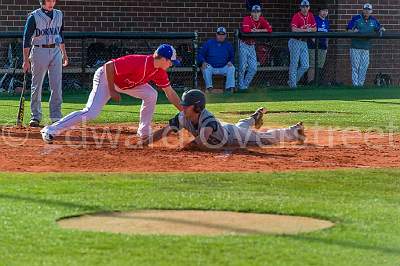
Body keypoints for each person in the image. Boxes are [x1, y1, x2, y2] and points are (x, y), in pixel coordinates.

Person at [40, 44, 183, 144]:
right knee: (91, 112)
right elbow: (108, 66)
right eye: (171, 62)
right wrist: (112, 90)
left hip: (126, 83)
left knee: (151, 94)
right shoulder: (138, 61)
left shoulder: (160, 72)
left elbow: (170, 93)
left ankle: (144, 131)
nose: (171, 64)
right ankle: (50, 130)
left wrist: (184, 112)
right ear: (163, 59)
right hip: (105, 78)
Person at [143, 90, 305, 150]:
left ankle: (293, 132)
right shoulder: (183, 117)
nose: (183, 107)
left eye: (187, 105)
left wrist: (182, 149)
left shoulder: (208, 121)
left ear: (197, 107)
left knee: (264, 140)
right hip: (227, 129)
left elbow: (199, 142)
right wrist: (145, 142)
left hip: (232, 137)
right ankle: (254, 117)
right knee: (240, 127)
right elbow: (164, 131)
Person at [23, 0, 69, 127]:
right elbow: (26, 39)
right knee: (37, 85)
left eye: (53, 0)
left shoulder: (59, 14)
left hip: (55, 51)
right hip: (39, 50)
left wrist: (64, 53)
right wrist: (25, 60)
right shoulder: (34, 16)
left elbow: (60, 35)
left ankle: (56, 116)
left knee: (56, 85)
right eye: (49, 0)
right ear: (43, 1)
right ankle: (35, 117)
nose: (52, 2)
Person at [347, 3, 385, 87]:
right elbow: (348, 29)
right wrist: (353, 31)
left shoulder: (374, 20)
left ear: (371, 11)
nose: (366, 11)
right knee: (355, 67)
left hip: (366, 47)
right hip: (355, 46)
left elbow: (379, 28)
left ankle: (360, 84)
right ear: (363, 10)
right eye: (365, 9)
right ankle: (355, 85)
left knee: (364, 67)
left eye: (368, 10)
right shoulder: (356, 18)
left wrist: (381, 29)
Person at [239, 5, 273, 92]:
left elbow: (269, 29)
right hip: (243, 44)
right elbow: (246, 30)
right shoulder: (247, 18)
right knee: (242, 66)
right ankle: (240, 86)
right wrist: (254, 30)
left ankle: (245, 85)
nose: (256, 14)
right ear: (251, 13)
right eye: (254, 12)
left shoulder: (261, 19)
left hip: (252, 46)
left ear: (260, 13)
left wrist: (258, 31)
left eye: (258, 12)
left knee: (253, 68)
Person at [288, 0, 317, 88]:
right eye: (303, 7)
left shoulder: (310, 15)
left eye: (306, 7)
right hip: (295, 41)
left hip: (304, 42)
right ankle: (293, 85)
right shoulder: (296, 16)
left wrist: (308, 30)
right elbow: (294, 29)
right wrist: (306, 30)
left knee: (305, 65)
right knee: (294, 64)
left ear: (309, 7)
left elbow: (315, 28)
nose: (305, 9)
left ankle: (292, 81)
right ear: (300, 7)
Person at [197, 27, 235, 93]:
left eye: (223, 34)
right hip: (211, 66)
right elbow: (200, 54)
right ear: (216, 35)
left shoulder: (228, 45)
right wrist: (203, 62)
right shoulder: (209, 43)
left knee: (231, 68)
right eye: (219, 34)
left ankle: (229, 89)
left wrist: (231, 61)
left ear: (225, 35)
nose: (221, 36)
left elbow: (233, 56)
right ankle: (209, 88)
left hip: (224, 67)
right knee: (205, 68)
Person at [307, 6, 330, 84]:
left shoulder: (327, 21)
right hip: (313, 47)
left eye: (326, 11)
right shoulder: (314, 19)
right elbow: (311, 33)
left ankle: (317, 82)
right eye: (323, 10)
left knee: (320, 66)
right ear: (319, 11)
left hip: (323, 47)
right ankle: (310, 83)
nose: (325, 12)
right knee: (312, 65)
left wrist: (326, 47)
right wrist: (315, 43)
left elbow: (327, 36)